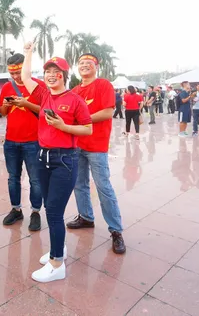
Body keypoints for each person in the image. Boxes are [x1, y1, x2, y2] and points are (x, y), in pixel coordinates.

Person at [21, 45, 92, 283]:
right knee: (49, 208)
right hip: (43, 158)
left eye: (56, 71)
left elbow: (87, 128)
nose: (51, 75)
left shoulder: (75, 100)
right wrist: (29, 52)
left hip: (65, 159)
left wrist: (63, 127)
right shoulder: (44, 95)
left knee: (53, 211)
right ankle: (57, 249)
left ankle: (57, 263)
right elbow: (25, 77)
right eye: (48, 71)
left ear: (64, 74)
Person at [69, 54, 126, 254]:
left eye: (88, 63)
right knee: (79, 184)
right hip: (77, 144)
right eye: (81, 64)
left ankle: (116, 231)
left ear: (96, 67)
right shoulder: (75, 90)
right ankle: (85, 217)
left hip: (96, 145)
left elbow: (107, 112)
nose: (84, 66)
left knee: (103, 187)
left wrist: (82, 121)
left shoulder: (103, 85)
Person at [0, 53, 45, 231]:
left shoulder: (38, 86)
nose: (16, 76)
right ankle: (16, 209)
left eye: (18, 71)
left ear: (25, 68)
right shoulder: (7, 87)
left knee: (35, 180)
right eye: (12, 72)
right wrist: (6, 105)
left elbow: (45, 111)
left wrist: (25, 103)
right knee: (13, 178)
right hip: (11, 141)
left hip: (33, 141)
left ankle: (35, 212)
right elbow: (2, 113)